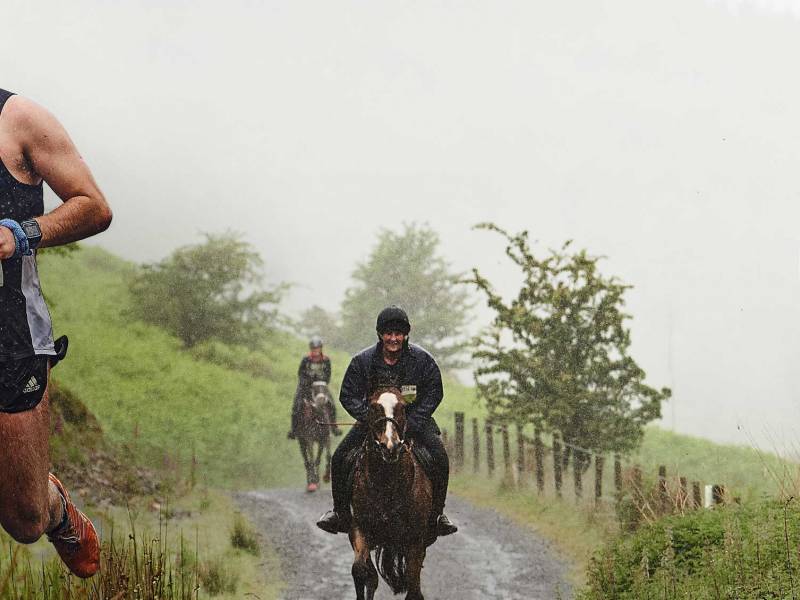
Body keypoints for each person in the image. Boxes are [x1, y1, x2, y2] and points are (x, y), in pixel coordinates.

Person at [0, 89, 112, 578]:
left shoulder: (19, 119)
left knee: (24, 519)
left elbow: (94, 207)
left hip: (12, 334)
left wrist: (20, 234)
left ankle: (55, 508)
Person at [316, 305, 458, 538]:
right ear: (380, 334)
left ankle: (437, 516)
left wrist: (414, 420)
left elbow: (434, 392)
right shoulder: (362, 361)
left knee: (440, 456)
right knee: (340, 457)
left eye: (398, 334)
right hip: (374, 424)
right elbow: (348, 394)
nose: (393, 339)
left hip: (413, 422)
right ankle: (340, 513)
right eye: (389, 333)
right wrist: (370, 418)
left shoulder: (422, 360)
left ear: (406, 335)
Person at [288, 335, 340, 439]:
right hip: (305, 386)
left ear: (321, 349)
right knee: (297, 406)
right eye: (314, 349)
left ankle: (334, 427)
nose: (316, 351)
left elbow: (328, 375)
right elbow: (300, 374)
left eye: (317, 348)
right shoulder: (306, 360)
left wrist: (320, 380)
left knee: (331, 404)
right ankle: (294, 430)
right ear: (311, 349)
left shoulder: (326, 360)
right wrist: (307, 382)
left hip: (321, 386)